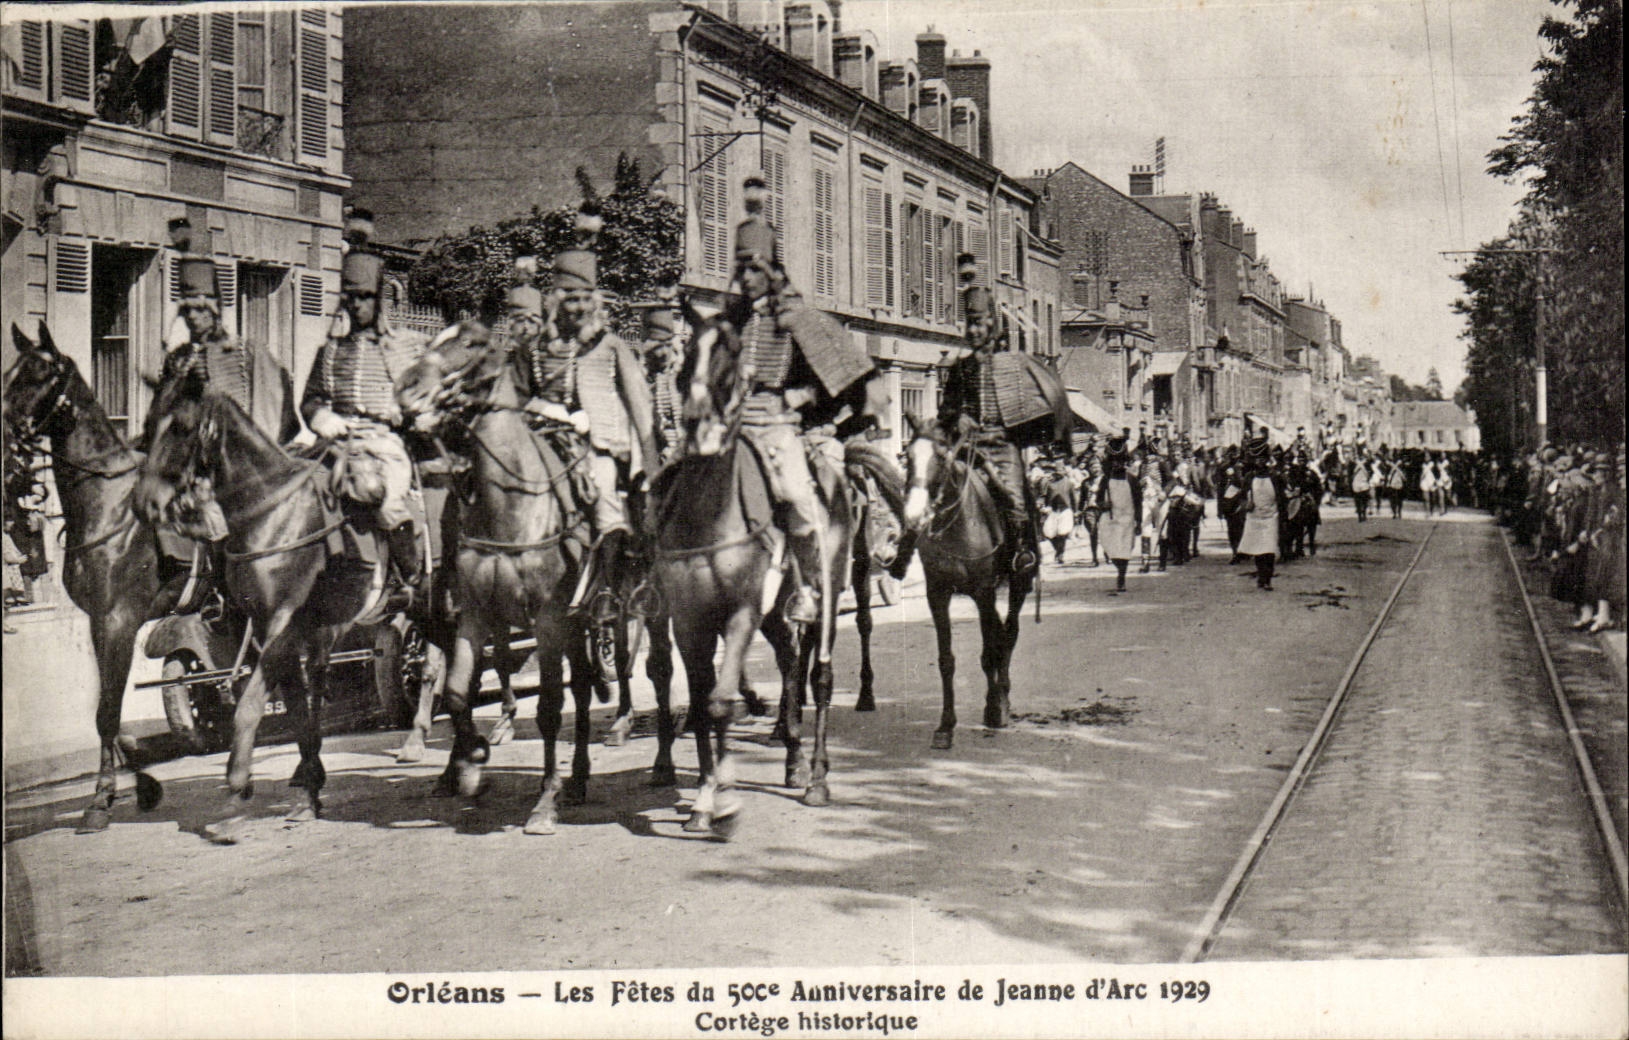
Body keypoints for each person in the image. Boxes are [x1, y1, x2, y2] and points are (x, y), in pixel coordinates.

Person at [703, 173, 880, 623]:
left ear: (771, 272)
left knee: (799, 499)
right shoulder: (729, 322)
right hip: (733, 424)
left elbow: (830, 380)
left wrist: (795, 400)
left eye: (755, 269)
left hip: (778, 426)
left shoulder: (795, 320)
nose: (747, 278)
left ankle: (809, 587)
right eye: (741, 269)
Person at [507, 207, 657, 618]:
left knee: (605, 500)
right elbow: (514, 397)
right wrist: (550, 409)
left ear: (595, 302)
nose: (575, 307)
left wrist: (648, 465)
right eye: (568, 298)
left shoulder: (610, 346)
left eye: (583, 299)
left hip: (597, 449)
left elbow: (641, 409)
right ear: (555, 301)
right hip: (539, 440)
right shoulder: (535, 348)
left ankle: (606, 592)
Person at [301, 221, 434, 589]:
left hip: (384, 446)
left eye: (364, 297)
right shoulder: (330, 351)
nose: (356, 304)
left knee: (388, 504)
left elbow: (425, 407)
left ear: (378, 300)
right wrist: (320, 416)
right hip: (335, 443)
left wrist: (406, 415)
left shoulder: (402, 349)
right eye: (351, 296)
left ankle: (407, 581)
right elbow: (310, 399)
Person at [933, 252, 1069, 577]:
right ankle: (915, 551)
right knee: (931, 490)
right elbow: (946, 412)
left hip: (1000, 446)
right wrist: (956, 420)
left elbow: (1030, 407)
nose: (974, 330)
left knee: (1014, 497)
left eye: (979, 324)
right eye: (970, 324)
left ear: (992, 326)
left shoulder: (1012, 365)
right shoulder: (960, 368)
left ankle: (1021, 551)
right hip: (966, 447)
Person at [1238, 437, 1283, 590]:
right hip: (1254, 517)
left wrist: (1281, 517)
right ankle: (1260, 576)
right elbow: (1243, 496)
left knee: (1269, 549)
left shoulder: (1275, 477)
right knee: (1257, 548)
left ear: (1267, 460)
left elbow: (1281, 497)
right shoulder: (1249, 477)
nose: (1260, 462)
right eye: (1257, 459)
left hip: (1271, 516)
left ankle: (1268, 578)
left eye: (1263, 459)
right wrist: (1246, 504)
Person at [1096, 435, 1140, 593]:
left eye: (1120, 461)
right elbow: (1098, 500)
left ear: (1125, 462)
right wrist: (1103, 505)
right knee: (1110, 547)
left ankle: (1121, 575)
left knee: (1124, 548)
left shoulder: (1132, 480)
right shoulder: (1105, 480)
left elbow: (1138, 501)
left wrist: (1139, 522)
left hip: (1127, 518)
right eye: (1114, 462)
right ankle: (1118, 566)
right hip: (1109, 519)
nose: (1117, 465)